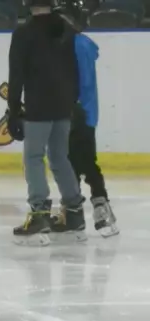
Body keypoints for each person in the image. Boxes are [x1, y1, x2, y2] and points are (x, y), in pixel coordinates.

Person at [8, 0, 86, 245]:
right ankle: (74, 213)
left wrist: (13, 110)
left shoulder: (24, 33)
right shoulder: (66, 29)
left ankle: (40, 213)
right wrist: (71, 101)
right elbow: (75, 69)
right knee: (59, 157)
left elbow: (16, 73)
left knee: (33, 157)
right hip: (63, 105)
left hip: (38, 106)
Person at [54, 0, 118, 237]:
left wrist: (72, 106)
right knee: (84, 162)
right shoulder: (81, 43)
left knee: (75, 162)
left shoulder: (72, 45)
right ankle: (95, 206)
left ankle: (76, 210)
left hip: (76, 112)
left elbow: (80, 81)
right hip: (85, 112)